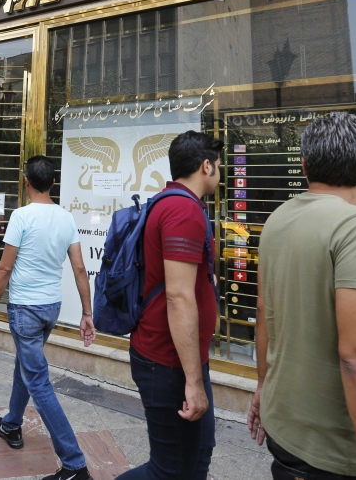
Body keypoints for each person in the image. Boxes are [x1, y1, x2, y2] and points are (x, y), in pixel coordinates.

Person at [247, 113, 356, 480]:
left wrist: (262, 386)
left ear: (304, 165)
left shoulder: (277, 220)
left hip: (287, 426)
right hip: (334, 449)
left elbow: (263, 312)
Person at [0, 156, 95, 480]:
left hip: (26, 310)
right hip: (50, 309)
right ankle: (11, 425)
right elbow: (78, 269)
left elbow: (4, 268)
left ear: (25, 180)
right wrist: (87, 313)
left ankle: (75, 464)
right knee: (28, 367)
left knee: (38, 381)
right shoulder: (65, 218)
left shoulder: (21, 216)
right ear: (53, 183)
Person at [116, 131, 220, 480]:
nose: (220, 172)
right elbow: (178, 297)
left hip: (179, 358)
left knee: (199, 454)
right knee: (169, 471)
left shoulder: (171, 202)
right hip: (168, 362)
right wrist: (193, 380)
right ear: (206, 166)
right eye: (218, 165)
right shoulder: (182, 210)